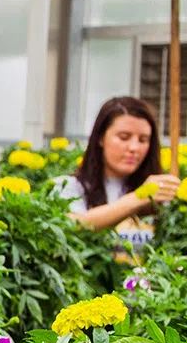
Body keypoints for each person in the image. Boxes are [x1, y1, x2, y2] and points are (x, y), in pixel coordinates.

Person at [58, 95, 179, 250]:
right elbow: (71, 225)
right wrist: (141, 197)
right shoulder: (68, 187)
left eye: (143, 140)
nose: (134, 148)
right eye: (124, 137)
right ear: (100, 138)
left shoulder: (163, 194)